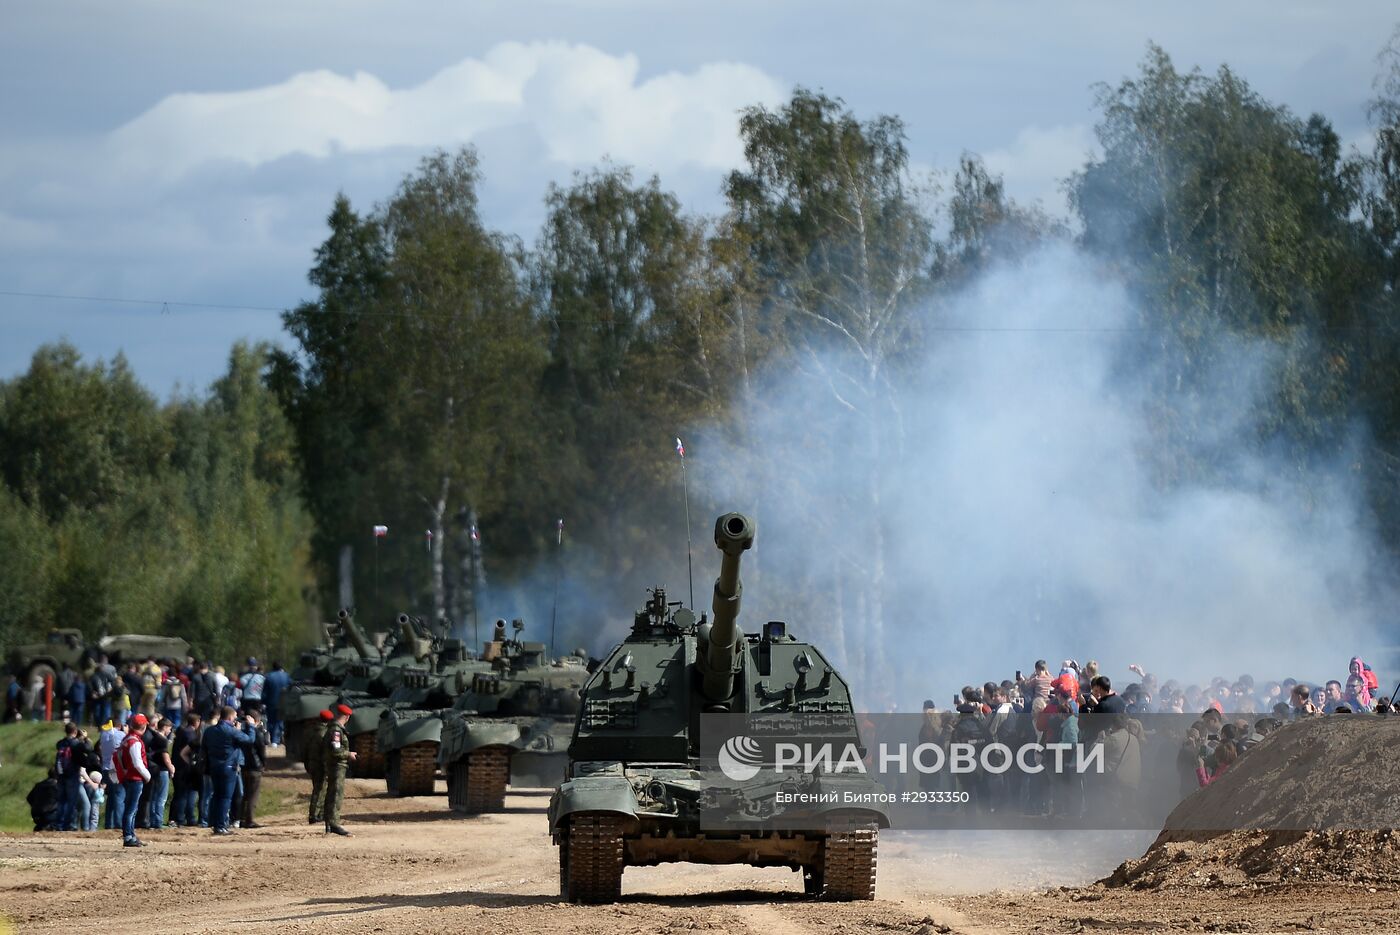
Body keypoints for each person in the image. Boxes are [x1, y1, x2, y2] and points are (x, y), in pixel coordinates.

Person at [204, 705, 255, 836]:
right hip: (228, 767)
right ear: (231, 717)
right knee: (225, 797)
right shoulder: (231, 731)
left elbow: (203, 748)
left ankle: (214, 823)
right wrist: (251, 727)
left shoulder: (209, 731)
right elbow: (249, 740)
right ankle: (221, 826)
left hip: (214, 766)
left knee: (216, 796)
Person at [115, 713, 151, 847]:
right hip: (135, 778)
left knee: (131, 808)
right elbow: (137, 762)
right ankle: (128, 836)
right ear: (143, 726)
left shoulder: (126, 739)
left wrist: (123, 770)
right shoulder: (135, 741)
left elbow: (118, 755)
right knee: (131, 808)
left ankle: (131, 834)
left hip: (127, 777)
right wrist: (147, 776)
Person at [323, 703, 358, 836]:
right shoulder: (336, 731)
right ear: (347, 717)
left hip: (336, 765)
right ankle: (334, 823)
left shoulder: (334, 729)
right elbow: (336, 750)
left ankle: (330, 824)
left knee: (332, 793)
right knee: (336, 794)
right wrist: (348, 754)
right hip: (336, 765)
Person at [171, 712, 202, 827]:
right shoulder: (191, 734)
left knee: (181, 794)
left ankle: (183, 818)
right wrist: (191, 763)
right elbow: (185, 752)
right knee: (184, 794)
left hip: (178, 766)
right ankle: (183, 818)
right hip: (185, 768)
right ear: (196, 722)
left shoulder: (181, 732)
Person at [239, 710, 270, 829]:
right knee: (253, 795)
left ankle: (240, 818)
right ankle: (250, 819)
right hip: (255, 766)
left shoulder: (241, 732)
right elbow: (261, 750)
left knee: (244, 794)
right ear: (257, 721)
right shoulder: (258, 733)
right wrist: (263, 764)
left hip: (244, 766)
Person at [145, 718, 175, 830]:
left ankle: (153, 820)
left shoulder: (153, 738)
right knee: (161, 797)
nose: (170, 730)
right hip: (162, 769)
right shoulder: (162, 740)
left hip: (154, 769)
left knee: (154, 796)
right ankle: (158, 821)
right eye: (170, 728)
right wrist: (171, 767)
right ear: (165, 727)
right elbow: (165, 756)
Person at [307, 709, 334, 824]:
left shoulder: (311, 731)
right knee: (319, 790)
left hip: (312, 763)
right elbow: (325, 753)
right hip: (320, 765)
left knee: (319, 789)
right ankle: (314, 815)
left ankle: (319, 813)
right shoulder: (324, 734)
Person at [98, 719, 126, 829]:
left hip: (105, 768)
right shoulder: (120, 734)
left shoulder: (104, 735)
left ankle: (109, 823)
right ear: (119, 725)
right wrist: (125, 731)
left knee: (111, 797)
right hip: (115, 769)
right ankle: (118, 824)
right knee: (119, 796)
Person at [263, 661, 291, 746]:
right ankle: (277, 739)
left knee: (271, 721)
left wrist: (263, 701)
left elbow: (265, 692)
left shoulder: (268, 676)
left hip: (271, 702)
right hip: (284, 702)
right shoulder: (287, 676)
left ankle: (273, 739)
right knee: (280, 721)